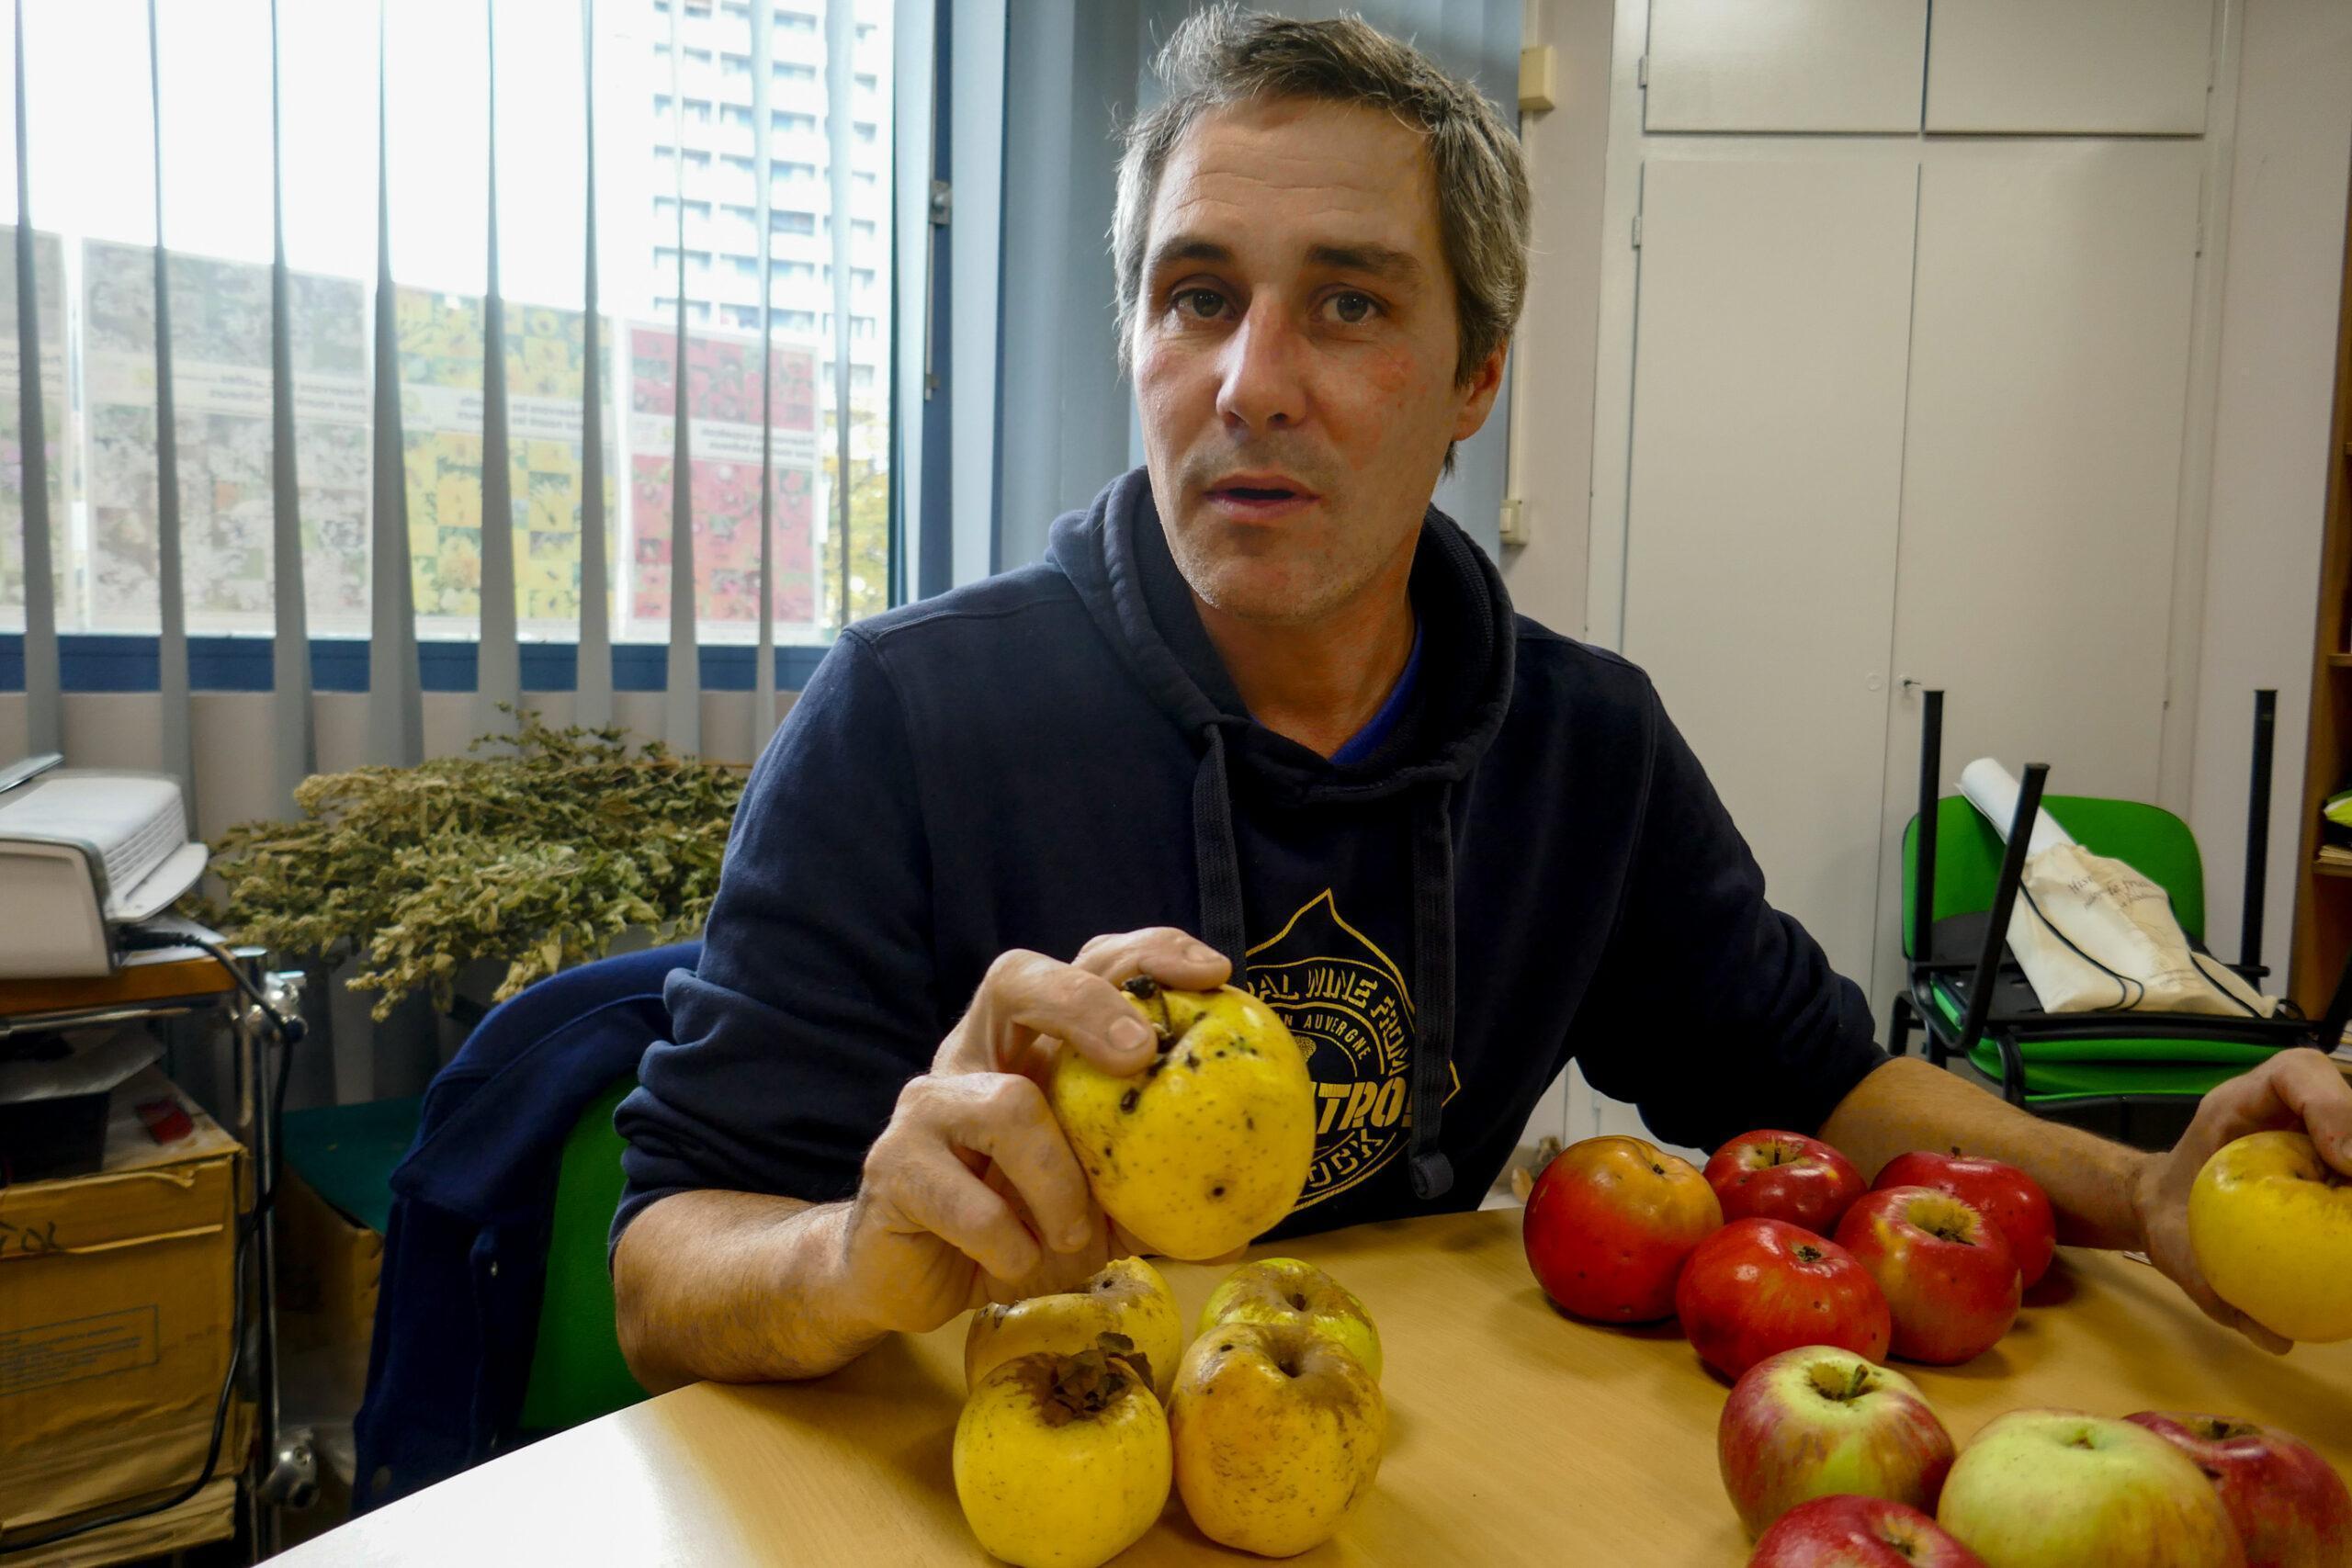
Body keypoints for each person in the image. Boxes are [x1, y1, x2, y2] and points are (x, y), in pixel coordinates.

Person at [610, 7, 2352, 1392]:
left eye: (1349, 303)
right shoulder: (908, 720)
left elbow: (1823, 1083)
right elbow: (665, 1261)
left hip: (1386, 1460)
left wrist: (2148, 1196)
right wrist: (843, 1262)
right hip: (1022, 1475)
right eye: (1196, 294)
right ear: (1133, 333)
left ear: (1476, 378)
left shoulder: (1581, 744)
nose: (1250, 384)